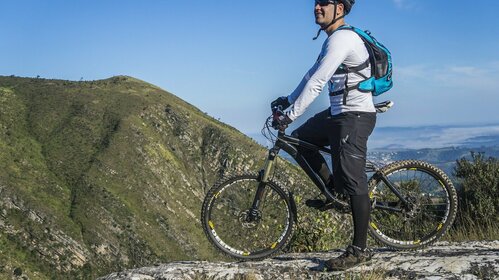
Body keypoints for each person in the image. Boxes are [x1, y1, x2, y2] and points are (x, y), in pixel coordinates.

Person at [271, 0, 376, 271]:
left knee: (354, 180)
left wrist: (290, 114)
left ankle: (360, 250)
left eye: (324, 3)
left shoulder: (343, 39)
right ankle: (334, 192)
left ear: (339, 9)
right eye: (316, 2)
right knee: (300, 141)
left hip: (355, 115)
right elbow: (310, 76)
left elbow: (318, 82)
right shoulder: (331, 40)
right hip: (338, 113)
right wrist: (288, 99)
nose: (317, 7)